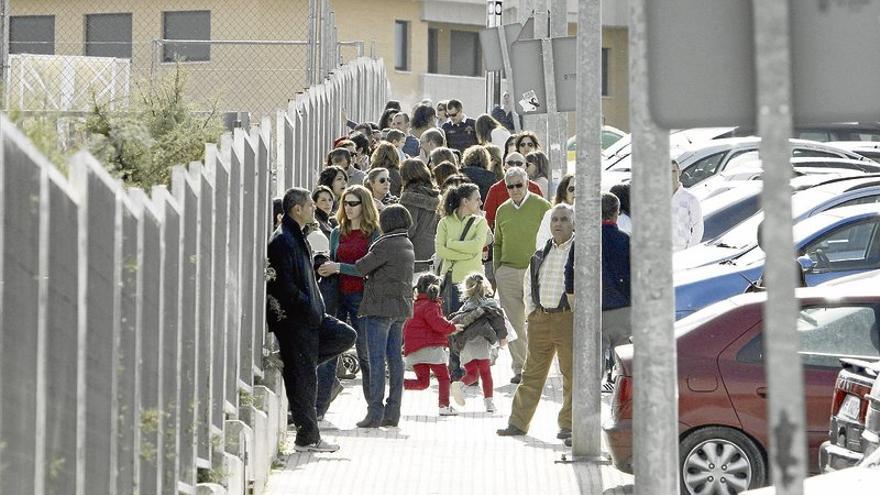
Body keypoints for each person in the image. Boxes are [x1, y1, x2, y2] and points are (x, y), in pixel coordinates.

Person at [265, 187, 357, 452]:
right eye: (309, 205)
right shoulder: (282, 240)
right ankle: (308, 438)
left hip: (312, 316)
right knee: (304, 381)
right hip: (297, 320)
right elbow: (285, 286)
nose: (313, 209)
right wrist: (307, 306)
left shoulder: (296, 236)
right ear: (297, 209)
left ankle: (294, 362)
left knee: (344, 335)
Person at [320, 205, 416, 428]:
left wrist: (336, 266)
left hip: (379, 309)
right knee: (394, 360)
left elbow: (362, 268)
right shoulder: (406, 243)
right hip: (399, 309)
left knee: (375, 361)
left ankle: (374, 412)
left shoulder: (386, 244)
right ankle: (393, 412)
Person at [497, 204, 575, 439]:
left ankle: (569, 425)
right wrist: (532, 314)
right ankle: (518, 423)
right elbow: (529, 285)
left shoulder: (579, 251)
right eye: (555, 220)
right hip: (541, 318)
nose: (558, 224)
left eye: (563, 220)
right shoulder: (542, 252)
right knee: (531, 374)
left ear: (573, 224)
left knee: (572, 375)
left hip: (567, 319)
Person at [316, 185, 380, 413]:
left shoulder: (374, 233)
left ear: (365, 205)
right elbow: (333, 262)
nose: (349, 208)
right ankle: (319, 407)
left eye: (354, 203)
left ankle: (374, 408)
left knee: (366, 352)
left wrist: (338, 267)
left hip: (362, 297)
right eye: (345, 203)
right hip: (337, 295)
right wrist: (326, 267)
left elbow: (369, 268)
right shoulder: (336, 232)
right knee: (330, 350)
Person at [564, 192, 631, 392]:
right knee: (624, 359)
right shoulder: (625, 240)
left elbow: (570, 274)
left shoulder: (583, 241)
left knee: (592, 362)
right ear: (616, 213)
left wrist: (573, 303)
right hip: (622, 309)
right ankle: (620, 397)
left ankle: (590, 398)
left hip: (592, 309)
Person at [493, 167, 551, 384]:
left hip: (535, 271)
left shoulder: (542, 206)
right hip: (507, 271)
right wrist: (497, 270)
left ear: (527, 183)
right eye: (510, 186)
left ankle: (538, 367)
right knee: (514, 323)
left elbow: (552, 238)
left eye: (519, 184)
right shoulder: (502, 210)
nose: (515, 190)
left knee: (538, 321)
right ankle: (520, 368)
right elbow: (497, 242)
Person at [434, 182, 489, 380]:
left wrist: (453, 245)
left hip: (474, 283)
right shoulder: (445, 223)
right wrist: (462, 250)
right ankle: (455, 368)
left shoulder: (480, 222)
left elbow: (476, 248)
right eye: (476, 198)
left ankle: (473, 370)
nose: (480, 202)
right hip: (452, 280)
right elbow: (441, 251)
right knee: (453, 325)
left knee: (474, 327)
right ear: (465, 201)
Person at [446, 272, 508, 412]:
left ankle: (460, 385)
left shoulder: (465, 307)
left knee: (472, 374)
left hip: (466, 344)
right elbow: (499, 322)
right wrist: (502, 338)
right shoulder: (490, 304)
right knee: (485, 374)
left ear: (466, 289)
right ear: (485, 286)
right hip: (482, 343)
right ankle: (489, 403)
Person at [403, 273, 463, 416]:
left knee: (423, 382)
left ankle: (399, 383)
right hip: (431, 348)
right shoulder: (431, 305)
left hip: (414, 349)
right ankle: (444, 406)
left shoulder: (414, 305)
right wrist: (453, 327)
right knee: (444, 378)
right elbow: (437, 323)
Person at [399, 159, 441, 272]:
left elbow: (408, 229)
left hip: (414, 254)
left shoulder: (409, 198)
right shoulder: (437, 197)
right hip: (436, 252)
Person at [483, 152, 543, 229]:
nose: (514, 166)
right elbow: (488, 220)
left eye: (519, 163)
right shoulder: (495, 189)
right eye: (510, 163)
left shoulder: (535, 188)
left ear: (525, 166)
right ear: (504, 166)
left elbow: (543, 215)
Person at [535, 174, 575, 250]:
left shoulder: (591, 216)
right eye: (571, 189)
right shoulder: (550, 214)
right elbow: (541, 244)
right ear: (564, 192)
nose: (576, 193)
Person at [672, 160, 703, 250]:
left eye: (674, 171)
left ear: (680, 172)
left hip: (681, 251)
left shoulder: (691, 199)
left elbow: (698, 227)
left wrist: (690, 251)